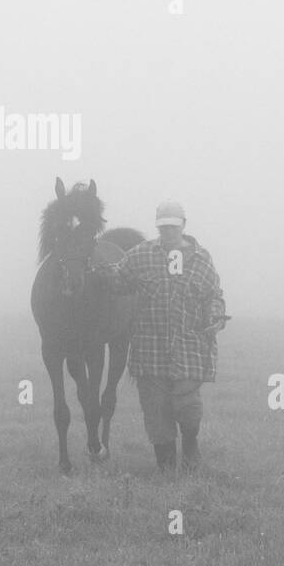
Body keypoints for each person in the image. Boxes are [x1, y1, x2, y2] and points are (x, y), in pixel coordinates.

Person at [94, 200, 229, 471]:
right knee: (155, 410)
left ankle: (191, 447)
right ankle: (165, 466)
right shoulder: (141, 255)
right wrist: (97, 271)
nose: (168, 232)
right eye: (163, 227)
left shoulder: (202, 260)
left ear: (183, 226)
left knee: (187, 405)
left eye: (173, 227)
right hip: (149, 349)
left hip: (190, 347)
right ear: (158, 227)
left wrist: (215, 316)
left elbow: (213, 296)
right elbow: (119, 280)